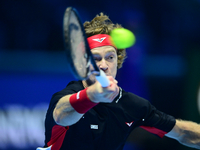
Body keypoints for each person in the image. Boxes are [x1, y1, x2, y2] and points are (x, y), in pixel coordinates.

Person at [42, 13, 200, 150]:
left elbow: (184, 132)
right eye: (96, 58)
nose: (104, 65)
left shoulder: (132, 105)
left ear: (117, 62)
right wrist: (93, 95)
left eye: (110, 57)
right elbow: (62, 114)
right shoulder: (65, 97)